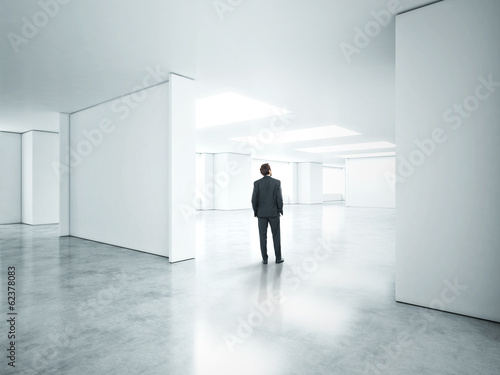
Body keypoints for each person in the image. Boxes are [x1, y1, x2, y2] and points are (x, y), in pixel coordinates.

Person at [251, 163, 284, 264]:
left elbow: (253, 200)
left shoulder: (257, 183)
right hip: (274, 214)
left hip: (261, 214)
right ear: (270, 171)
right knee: (276, 235)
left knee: (262, 236)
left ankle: (264, 259)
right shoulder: (277, 182)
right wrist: (280, 210)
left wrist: (256, 211)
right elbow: (279, 199)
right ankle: (278, 258)